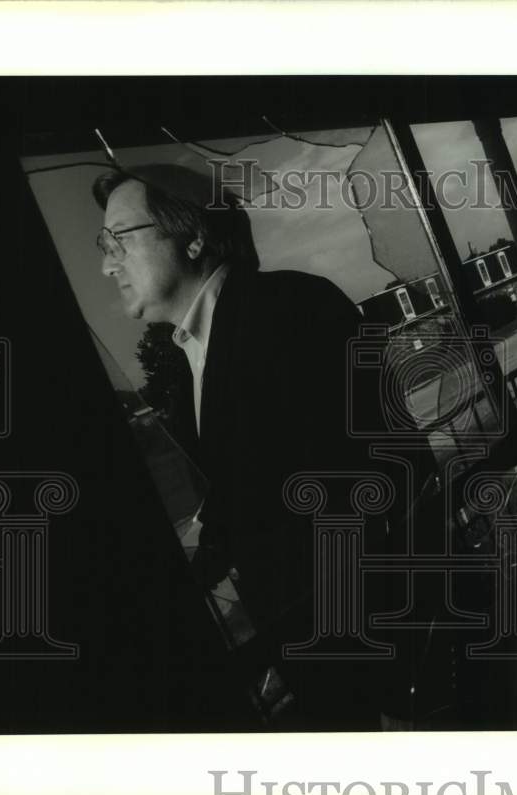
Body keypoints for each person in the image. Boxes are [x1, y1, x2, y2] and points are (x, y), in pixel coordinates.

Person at [93, 163, 390, 729]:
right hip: (313, 653)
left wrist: (402, 685)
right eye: (102, 243)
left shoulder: (290, 308)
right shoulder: (187, 370)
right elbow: (242, 493)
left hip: (380, 654)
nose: (107, 263)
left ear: (195, 235)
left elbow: (372, 481)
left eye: (118, 239)